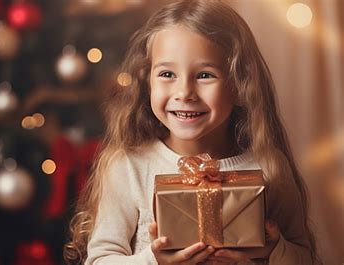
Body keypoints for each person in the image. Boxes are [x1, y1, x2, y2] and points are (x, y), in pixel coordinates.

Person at [64, 0, 319, 264]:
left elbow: (304, 256)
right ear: (146, 81)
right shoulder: (128, 166)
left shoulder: (269, 166)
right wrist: (153, 261)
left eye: (205, 75)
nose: (184, 92)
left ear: (240, 85)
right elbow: (100, 260)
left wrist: (274, 249)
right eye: (167, 74)